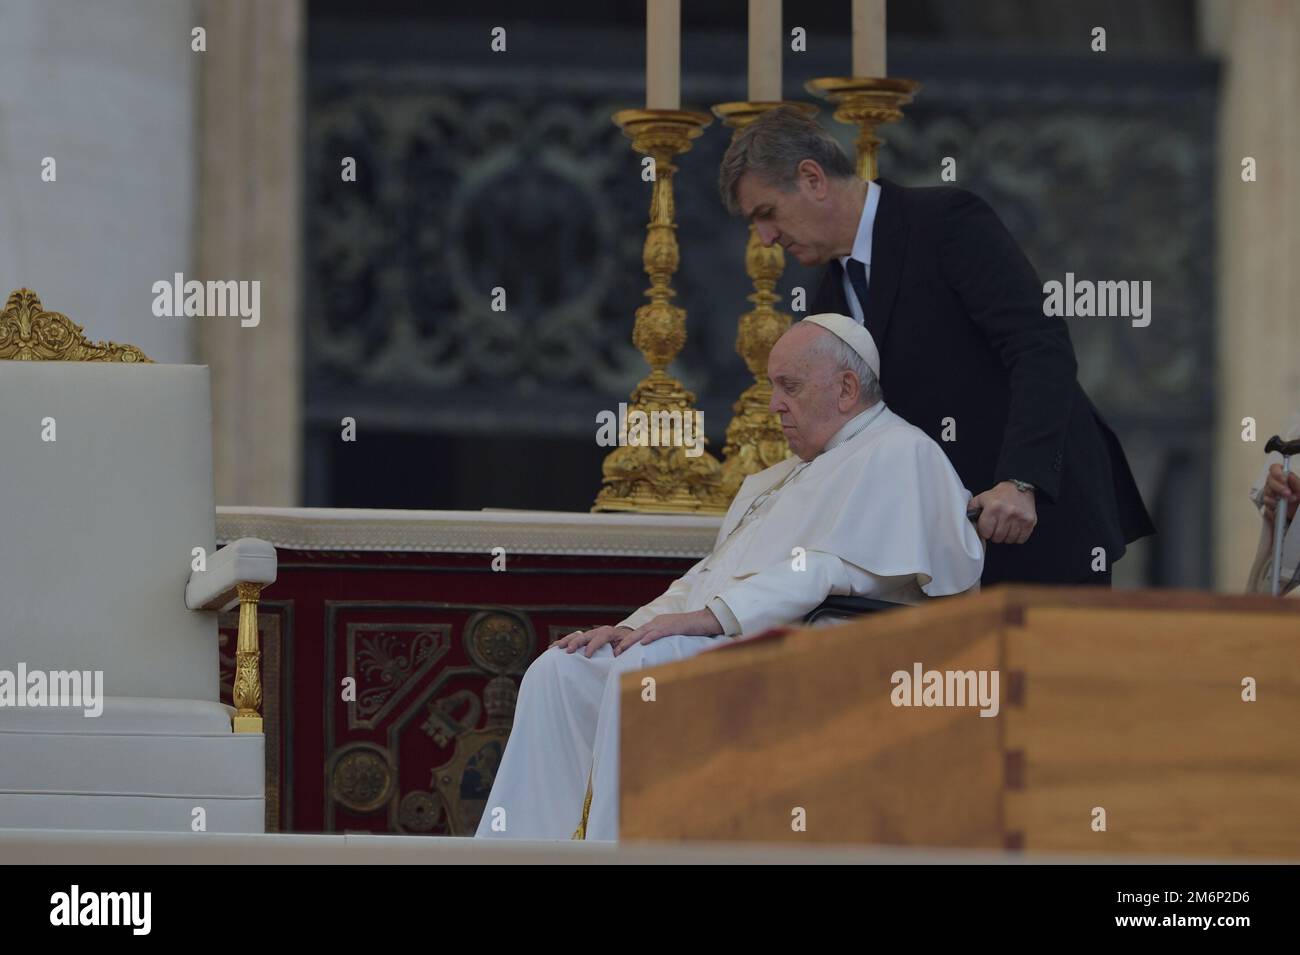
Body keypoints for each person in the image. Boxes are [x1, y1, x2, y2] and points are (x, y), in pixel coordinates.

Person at [475, 315, 983, 841]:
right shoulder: (784, 476)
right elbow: (707, 576)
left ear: (847, 389)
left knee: (646, 672)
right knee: (561, 670)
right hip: (744, 642)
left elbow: (827, 569)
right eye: (772, 387)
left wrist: (710, 619)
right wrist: (632, 628)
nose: (774, 405)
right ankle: (522, 851)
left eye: (790, 387)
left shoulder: (901, 453)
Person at [719, 106, 1155, 586]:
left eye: (767, 213)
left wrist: (1020, 480)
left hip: (1037, 519)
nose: (764, 238)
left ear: (812, 178)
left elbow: (1040, 346)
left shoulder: (946, 221)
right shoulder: (828, 295)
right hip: (947, 547)